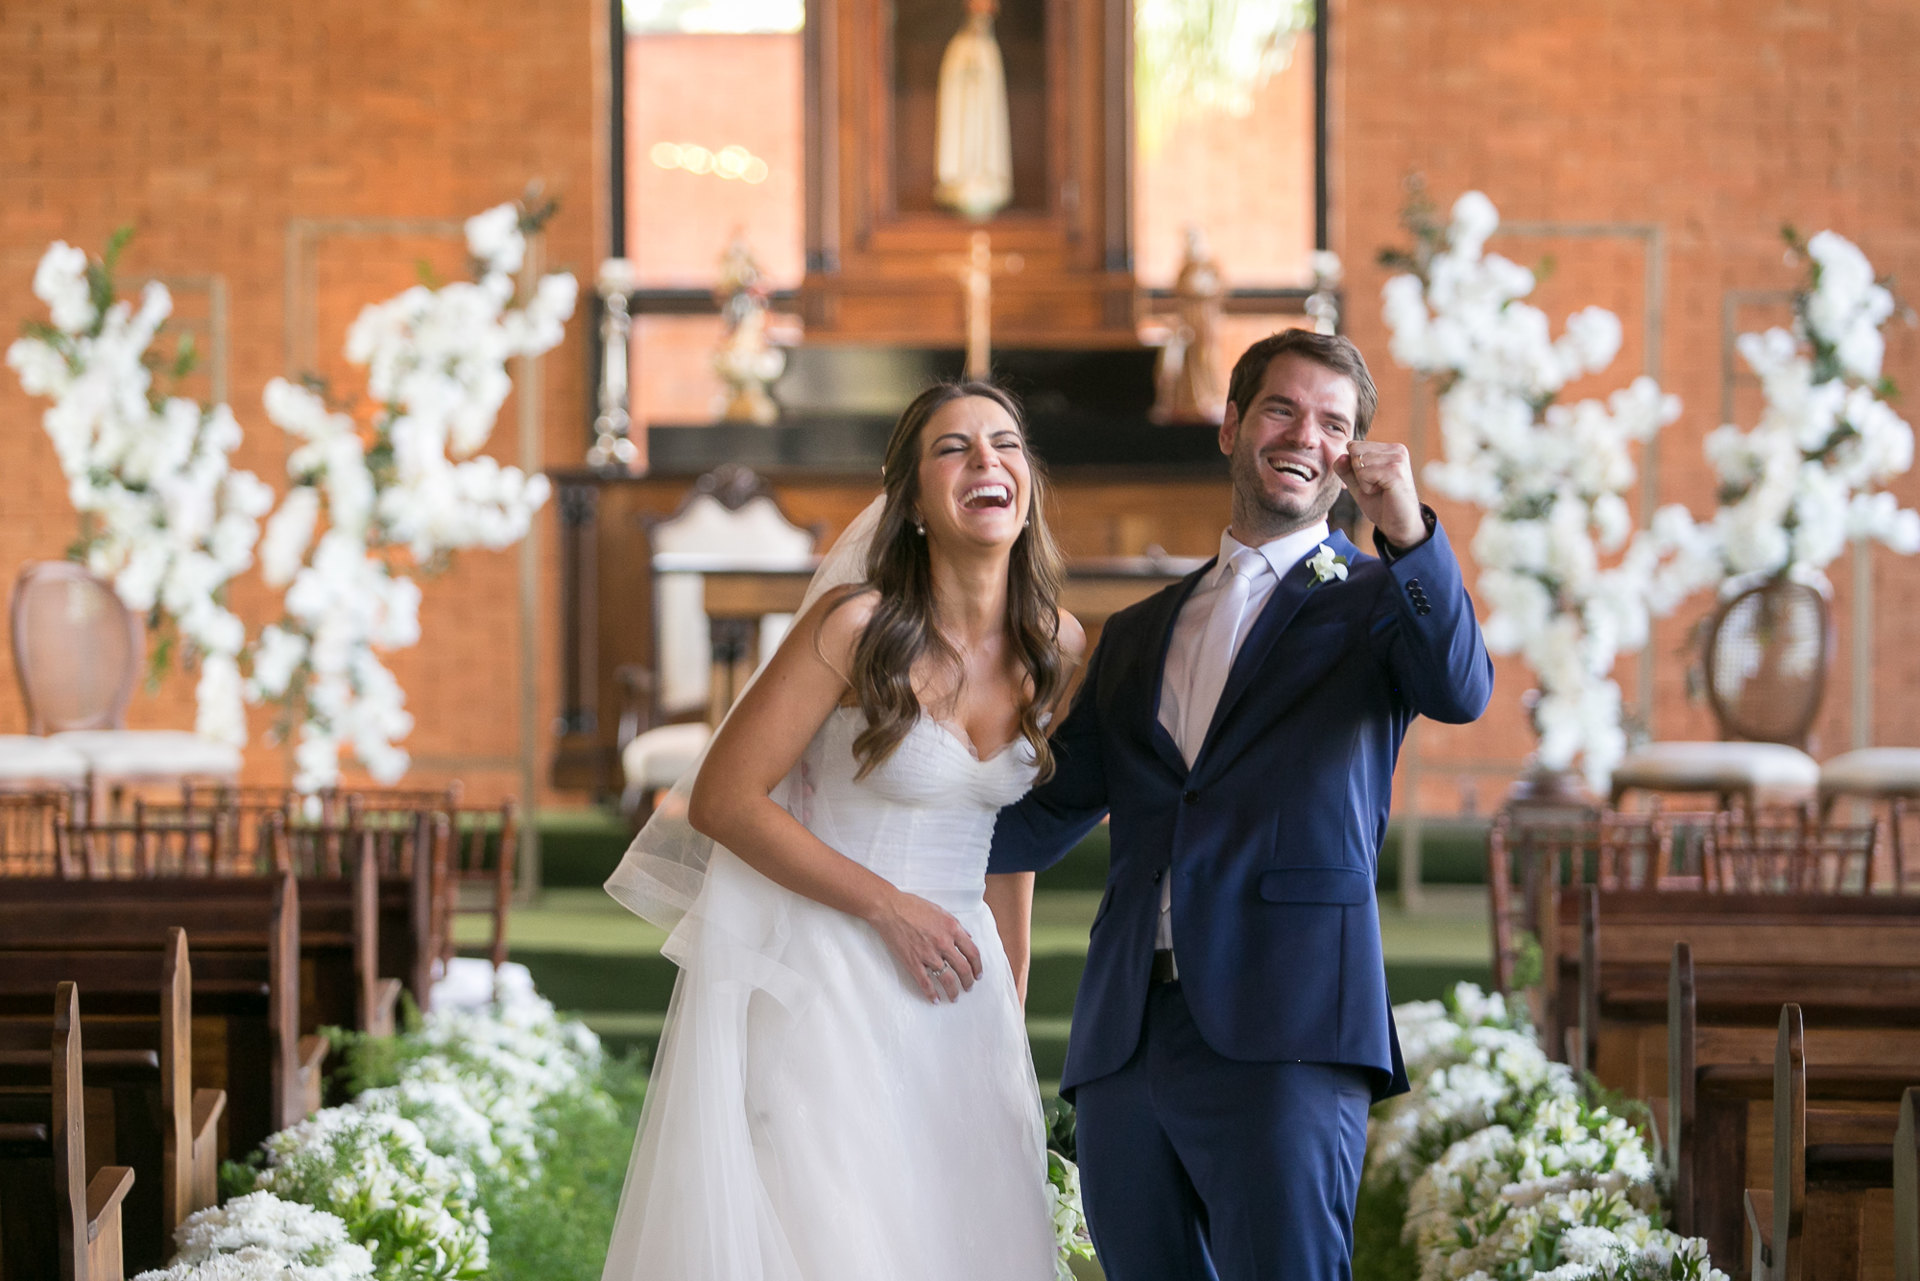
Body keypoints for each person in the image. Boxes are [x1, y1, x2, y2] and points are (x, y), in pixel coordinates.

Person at [987, 330, 1494, 1280]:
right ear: (1230, 425)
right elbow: (1040, 814)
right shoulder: (1138, 632)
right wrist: (880, 810)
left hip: (1290, 1026)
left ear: (1353, 454)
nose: (1306, 434)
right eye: (1282, 408)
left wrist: (1410, 529)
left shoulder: (1382, 598)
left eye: (1334, 423)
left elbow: (1461, 688)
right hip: (1126, 1038)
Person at [601, 381, 1084, 1281]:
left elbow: (1010, 834)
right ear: (910, 504)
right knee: (845, 1234)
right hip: (834, 964)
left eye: (1006, 443)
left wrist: (1008, 988)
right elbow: (725, 799)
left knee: (964, 1232)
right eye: (954, 447)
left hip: (963, 977)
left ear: (1029, 483)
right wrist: (888, 907)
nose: (987, 461)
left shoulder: (1056, 643)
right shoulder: (856, 628)